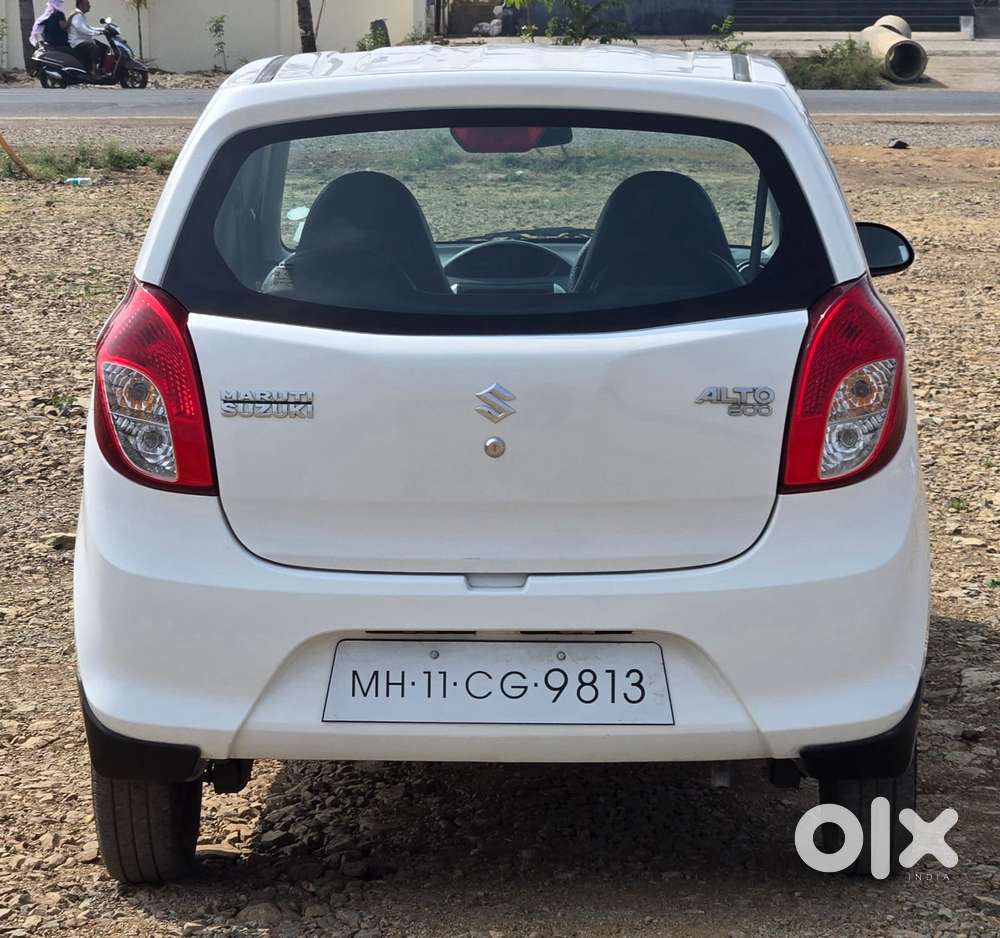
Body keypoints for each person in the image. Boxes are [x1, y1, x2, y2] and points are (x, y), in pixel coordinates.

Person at [67, 0, 105, 75]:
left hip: (84, 40)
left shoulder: (81, 15)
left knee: (103, 47)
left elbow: (88, 27)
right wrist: (98, 33)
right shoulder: (77, 15)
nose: (89, 6)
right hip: (77, 42)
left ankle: (102, 68)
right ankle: (94, 71)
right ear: (81, 5)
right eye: (87, 4)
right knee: (94, 48)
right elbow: (83, 29)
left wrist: (103, 29)